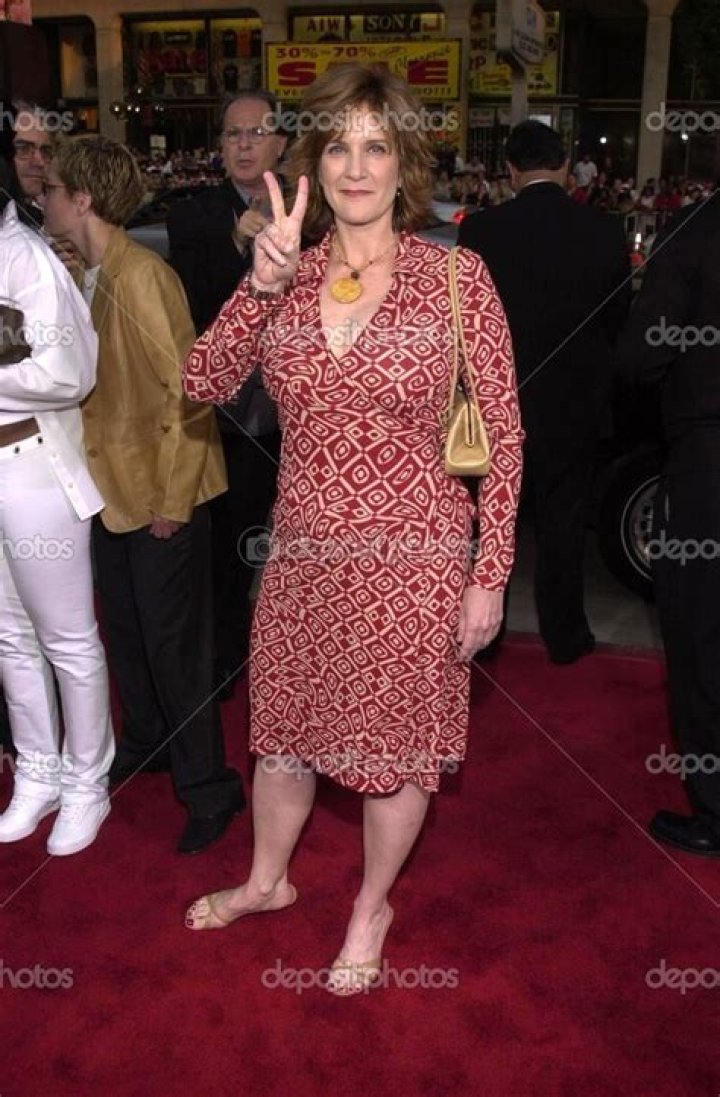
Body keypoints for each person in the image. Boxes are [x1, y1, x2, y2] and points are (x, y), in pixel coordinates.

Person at [182, 64, 523, 993]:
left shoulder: (456, 277)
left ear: (405, 159)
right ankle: (268, 880)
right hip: (301, 555)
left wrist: (488, 573)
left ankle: (372, 906)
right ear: (314, 162)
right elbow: (202, 381)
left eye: (377, 146)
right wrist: (259, 287)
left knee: (392, 756)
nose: (358, 167)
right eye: (339, 146)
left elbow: (502, 435)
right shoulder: (285, 273)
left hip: (415, 563)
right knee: (282, 737)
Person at [41, 135, 244, 854]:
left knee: (175, 647)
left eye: (52, 188)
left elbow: (190, 393)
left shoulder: (144, 278)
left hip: (161, 494)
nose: (42, 197)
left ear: (83, 199)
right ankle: (149, 741)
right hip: (111, 491)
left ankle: (211, 788)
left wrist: (172, 501)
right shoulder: (91, 273)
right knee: (127, 633)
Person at [459, 121, 631, 663]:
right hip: (574, 404)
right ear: (564, 167)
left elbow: (465, 322)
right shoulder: (604, 231)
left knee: (493, 521)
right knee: (564, 523)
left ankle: (484, 635)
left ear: (510, 171)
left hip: (497, 401)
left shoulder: (480, 230)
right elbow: (617, 319)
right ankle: (565, 634)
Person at [0, 191, 114, 856]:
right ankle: (37, 772)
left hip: (35, 467)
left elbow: (70, 372)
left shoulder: (27, 258)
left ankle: (86, 782)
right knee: (8, 637)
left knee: (67, 638)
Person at [168, 91, 285, 700]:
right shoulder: (193, 217)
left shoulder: (313, 213)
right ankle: (224, 657)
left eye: (256, 133)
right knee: (225, 544)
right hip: (222, 415)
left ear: (281, 144)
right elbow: (192, 308)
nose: (243, 144)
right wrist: (237, 246)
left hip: (295, 411)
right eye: (233, 134)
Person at [617, 189, 720, 856]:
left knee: (703, 632)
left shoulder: (699, 227)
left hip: (710, 458)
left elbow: (642, 353)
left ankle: (716, 810)